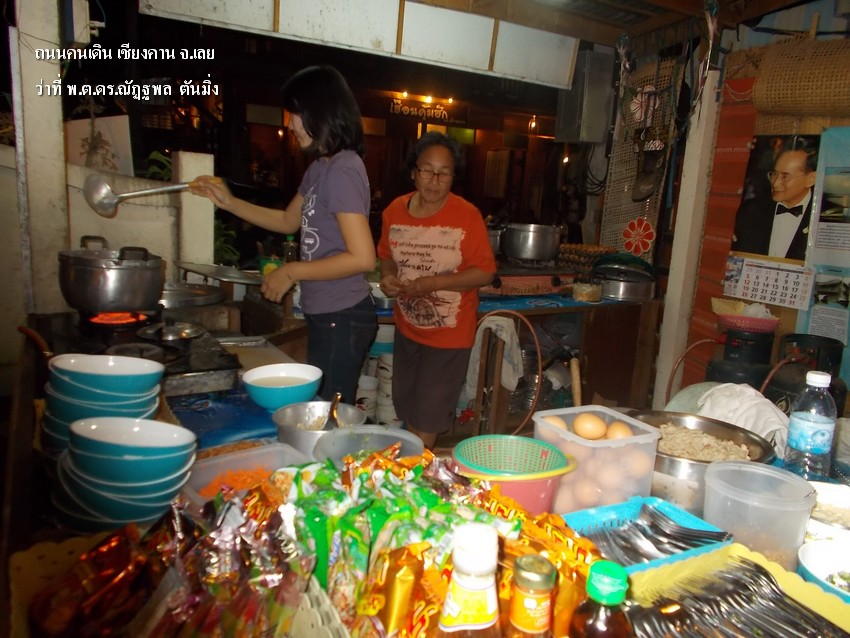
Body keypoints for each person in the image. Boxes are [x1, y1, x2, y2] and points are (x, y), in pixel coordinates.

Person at [190, 65, 377, 403]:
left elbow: (363, 257)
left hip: (343, 314)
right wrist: (229, 202)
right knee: (321, 410)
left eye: (295, 114)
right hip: (328, 313)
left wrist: (291, 271)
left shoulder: (344, 168)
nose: (290, 123)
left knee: (328, 414)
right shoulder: (320, 168)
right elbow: (288, 220)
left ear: (320, 111)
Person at [377, 132, 496, 448]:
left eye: (444, 173)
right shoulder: (394, 212)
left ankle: (413, 470)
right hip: (408, 328)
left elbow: (485, 272)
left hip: (449, 335)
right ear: (413, 172)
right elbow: (386, 256)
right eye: (427, 170)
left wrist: (434, 283)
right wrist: (387, 277)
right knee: (406, 407)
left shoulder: (466, 216)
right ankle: (410, 466)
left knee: (427, 417)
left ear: (453, 177)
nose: (434, 180)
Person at [732, 139, 818, 261]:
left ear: (811, 179)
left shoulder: (825, 218)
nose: (775, 183)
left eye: (785, 177)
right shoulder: (751, 211)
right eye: (774, 174)